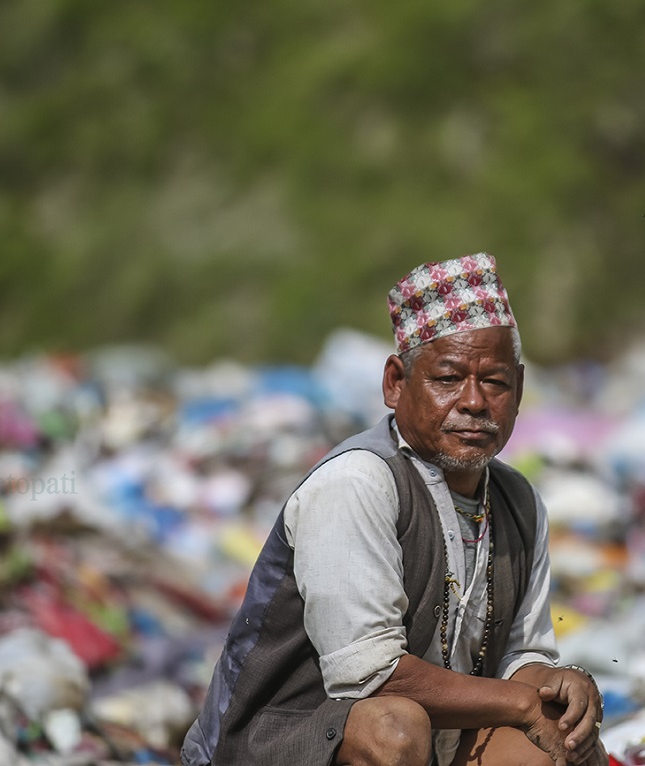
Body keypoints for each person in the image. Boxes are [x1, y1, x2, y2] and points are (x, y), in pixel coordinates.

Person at [181, 254, 607, 766]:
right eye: (448, 378)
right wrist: (520, 702)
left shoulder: (518, 503)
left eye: (494, 382)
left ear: (517, 390)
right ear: (395, 383)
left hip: (439, 743)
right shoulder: (357, 484)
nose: (474, 402)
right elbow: (369, 674)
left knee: (564, 737)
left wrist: (560, 687)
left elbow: (522, 657)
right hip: (283, 747)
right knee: (395, 728)